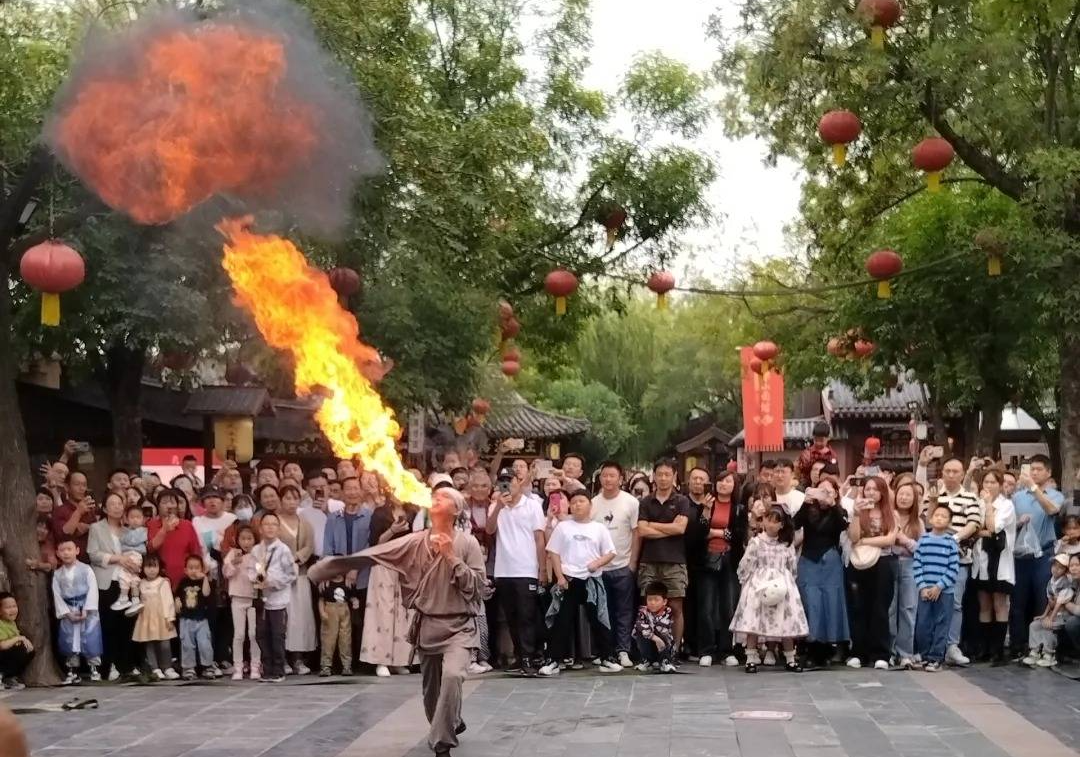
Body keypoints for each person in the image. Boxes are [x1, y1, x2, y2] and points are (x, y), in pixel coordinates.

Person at [309, 486, 486, 757]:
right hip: (428, 625)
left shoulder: (468, 544)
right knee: (431, 694)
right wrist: (334, 565)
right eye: (435, 496)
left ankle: (442, 743)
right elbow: (376, 554)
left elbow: (477, 586)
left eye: (445, 497)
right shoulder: (414, 541)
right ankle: (451, 719)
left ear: (457, 510)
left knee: (452, 676)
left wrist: (450, 557)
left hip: (459, 626)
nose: (437, 498)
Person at [539, 491, 619, 676]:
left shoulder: (598, 528)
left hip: (592, 580)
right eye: (573, 502)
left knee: (598, 619)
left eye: (581, 501)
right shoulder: (563, 527)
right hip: (569, 579)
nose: (577, 505)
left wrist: (597, 563)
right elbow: (554, 553)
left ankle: (607, 657)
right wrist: (559, 577)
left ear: (590, 505)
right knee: (562, 620)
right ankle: (552, 660)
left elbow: (610, 552)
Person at [730, 504, 808, 673]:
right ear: (763, 520)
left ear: (782, 525)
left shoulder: (786, 544)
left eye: (776, 521)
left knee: (786, 622)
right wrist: (747, 581)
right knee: (754, 621)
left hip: (781, 582)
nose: (772, 524)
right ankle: (751, 657)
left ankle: (790, 658)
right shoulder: (756, 542)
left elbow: (792, 566)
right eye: (768, 520)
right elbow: (747, 562)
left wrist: (789, 583)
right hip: (759, 583)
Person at [920, 457, 981, 666]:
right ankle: (929, 648)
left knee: (954, 603)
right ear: (942, 473)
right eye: (947, 471)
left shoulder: (970, 498)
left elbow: (973, 523)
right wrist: (934, 502)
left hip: (958, 557)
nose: (951, 475)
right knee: (929, 603)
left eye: (956, 471)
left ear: (963, 474)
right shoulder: (934, 495)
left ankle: (951, 645)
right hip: (931, 558)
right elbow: (927, 520)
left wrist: (953, 539)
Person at [793, 477, 857, 669]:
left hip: (830, 559)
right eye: (820, 490)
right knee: (810, 602)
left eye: (828, 491)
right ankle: (811, 648)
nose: (823, 494)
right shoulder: (808, 510)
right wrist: (807, 502)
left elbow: (843, 525)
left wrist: (832, 504)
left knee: (830, 603)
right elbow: (794, 524)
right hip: (808, 559)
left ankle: (829, 647)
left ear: (836, 494)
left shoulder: (839, 512)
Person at [487, 472, 545, 676]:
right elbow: (489, 529)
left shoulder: (532, 506)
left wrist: (541, 568)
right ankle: (519, 656)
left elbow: (539, 538)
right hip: (504, 570)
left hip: (526, 568)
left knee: (527, 615)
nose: (506, 486)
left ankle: (530, 656)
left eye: (509, 482)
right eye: (502, 482)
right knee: (510, 616)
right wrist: (499, 508)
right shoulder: (497, 506)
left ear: (518, 483)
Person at [635, 459, 692, 655]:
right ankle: (649, 652)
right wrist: (670, 528)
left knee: (676, 607)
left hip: (674, 561)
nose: (663, 478)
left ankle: (673, 650)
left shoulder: (682, 501)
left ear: (674, 476)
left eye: (668, 474)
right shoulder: (645, 501)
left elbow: (681, 528)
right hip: (649, 561)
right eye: (659, 474)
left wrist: (653, 525)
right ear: (654, 476)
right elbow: (641, 531)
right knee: (648, 607)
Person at [1010, 454, 1065, 657]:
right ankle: (1018, 645)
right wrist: (1018, 523)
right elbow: (1009, 524)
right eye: (1031, 469)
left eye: (1039, 469)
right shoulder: (1017, 497)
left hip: (1044, 554)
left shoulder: (1055, 495)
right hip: (1021, 555)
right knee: (1018, 601)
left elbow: (1052, 510)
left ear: (1048, 472)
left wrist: (1034, 489)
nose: (1034, 473)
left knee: (1043, 599)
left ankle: (1041, 646)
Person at [362, 493, 420, 676]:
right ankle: (381, 661)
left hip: (406, 567)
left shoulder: (414, 512)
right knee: (383, 613)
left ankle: (400, 660)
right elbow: (375, 544)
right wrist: (393, 530)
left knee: (404, 613)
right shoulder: (380, 513)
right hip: (384, 566)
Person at [590, 461, 640, 669]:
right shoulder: (592, 503)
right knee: (603, 612)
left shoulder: (631, 502)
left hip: (623, 565)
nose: (608, 479)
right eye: (604, 476)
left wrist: (632, 563)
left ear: (621, 478)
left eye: (612, 476)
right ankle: (605, 651)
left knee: (624, 611)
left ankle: (623, 650)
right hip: (600, 568)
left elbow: (636, 534)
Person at [847, 476, 898, 671]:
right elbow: (853, 538)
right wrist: (857, 514)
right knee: (859, 607)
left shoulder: (890, 513)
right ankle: (858, 652)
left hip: (883, 563)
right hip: (860, 563)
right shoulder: (858, 512)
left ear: (882, 492)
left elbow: (890, 539)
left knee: (880, 608)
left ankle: (881, 653)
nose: (871, 493)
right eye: (867, 489)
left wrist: (866, 541)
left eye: (875, 489)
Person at [324, 475, 376, 668]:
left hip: (363, 575)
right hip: (338, 576)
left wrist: (355, 568)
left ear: (361, 492)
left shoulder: (369, 516)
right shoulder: (333, 518)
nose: (353, 492)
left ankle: (362, 662)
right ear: (342, 493)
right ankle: (340, 663)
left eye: (356, 488)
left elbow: (371, 546)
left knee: (361, 619)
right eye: (349, 489)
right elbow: (327, 547)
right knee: (338, 620)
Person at [87, 493, 138, 681]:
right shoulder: (96, 528)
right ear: (105, 508)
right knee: (108, 625)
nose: (117, 507)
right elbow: (93, 554)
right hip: (106, 582)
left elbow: (136, 553)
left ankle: (126, 665)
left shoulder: (128, 531)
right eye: (112, 504)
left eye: (120, 503)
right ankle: (108, 666)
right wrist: (118, 559)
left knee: (126, 624)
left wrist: (132, 562)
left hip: (126, 582)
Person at [692, 470, 739, 668]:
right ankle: (706, 650)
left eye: (728, 481)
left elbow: (738, 533)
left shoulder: (738, 508)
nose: (723, 484)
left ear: (734, 485)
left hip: (730, 560)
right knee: (706, 607)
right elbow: (697, 532)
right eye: (720, 480)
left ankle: (727, 650)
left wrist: (717, 532)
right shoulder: (707, 504)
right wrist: (705, 512)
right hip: (707, 561)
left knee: (728, 606)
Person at [970, 468, 1016, 665]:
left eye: (992, 482)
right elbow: (974, 528)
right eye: (985, 482)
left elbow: (993, 527)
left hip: (1000, 561)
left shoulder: (1006, 505)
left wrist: (988, 506)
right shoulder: (977, 503)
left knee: (999, 604)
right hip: (980, 559)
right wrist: (982, 530)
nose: (988, 486)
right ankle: (984, 648)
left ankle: (998, 650)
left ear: (1000, 485)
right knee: (984, 604)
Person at [913, 503, 961, 672]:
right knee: (923, 623)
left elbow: (953, 568)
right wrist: (922, 587)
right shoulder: (923, 540)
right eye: (937, 515)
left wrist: (939, 586)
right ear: (930, 518)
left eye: (944, 516)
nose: (939, 518)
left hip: (944, 591)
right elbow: (917, 564)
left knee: (942, 623)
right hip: (925, 591)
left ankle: (936, 657)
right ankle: (924, 655)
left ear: (949, 522)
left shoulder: (951, 542)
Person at [251, 512, 297, 682]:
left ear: (278, 528)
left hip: (278, 599)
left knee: (277, 635)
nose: (270, 527)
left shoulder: (283, 550)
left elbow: (291, 574)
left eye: (273, 524)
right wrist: (255, 580)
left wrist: (273, 582)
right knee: (262, 634)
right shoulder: (256, 549)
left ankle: (278, 669)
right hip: (261, 598)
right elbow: (251, 570)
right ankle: (267, 668)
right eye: (266, 524)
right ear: (260, 528)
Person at [275, 484, 315, 675]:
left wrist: (297, 557)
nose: (291, 502)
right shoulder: (274, 521)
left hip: (300, 574)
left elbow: (309, 545)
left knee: (300, 618)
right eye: (287, 498)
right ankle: (281, 659)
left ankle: (298, 659)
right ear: (281, 500)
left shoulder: (304, 522)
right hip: (280, 578)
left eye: (294, 498)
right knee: (283, 618)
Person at [53, 539, 103, 684]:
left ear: (77, 550)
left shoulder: (86, 569)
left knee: (90, 637)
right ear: (57, 553)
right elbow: (57, 594)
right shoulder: (57, 574)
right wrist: (67, 613)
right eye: (62, 550)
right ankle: (72, 670)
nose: (66, 553)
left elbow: (93, 590)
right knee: (70, 640)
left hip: (86, 609)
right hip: (69, 610)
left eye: (69, 549)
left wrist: (87, 610)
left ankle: (94, 668)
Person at [889, 481, 924, 669]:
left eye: (908, 495)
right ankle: (889, 651)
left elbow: (923, 549)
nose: (903, 498)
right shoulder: (888, 517)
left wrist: (907, 542)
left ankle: (905, 653)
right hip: (890, 562)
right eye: (900, 494)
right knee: (890, 609)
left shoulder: (918, 522)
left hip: (910, 566)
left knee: (909, 609)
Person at [1021, 553, 1075, 667]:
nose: (1056, 569)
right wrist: (1044, 615)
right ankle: (1034, 652)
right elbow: (1050, 602)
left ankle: (1049, 654)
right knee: (1034, 625)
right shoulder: (1051, 582)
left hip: (1064, 616)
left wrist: (1050, 618)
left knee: (1048, 626)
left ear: (1065, 571)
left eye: (1060, 567)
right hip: (1054, 613)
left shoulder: (1066, 584)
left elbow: (1059, 604)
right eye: (1054, 565)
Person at [223, 525, 261, 680]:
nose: (246, 542)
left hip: (253, 598)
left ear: (254, 540)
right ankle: (238, 666)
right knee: (239, 634)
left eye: (249, 538)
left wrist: (255, 574)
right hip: (237, 597)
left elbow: (260, 576)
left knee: (253, 634)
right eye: (243, 539)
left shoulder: (258, 554)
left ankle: (255, 666)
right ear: (237, 540)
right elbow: (227, 573)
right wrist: (234, 563)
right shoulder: (232, 554)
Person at [132, 554, 179, 680]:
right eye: (148, 566)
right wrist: (134, 588)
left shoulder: (163, 582)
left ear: (159, 568)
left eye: (154, 566)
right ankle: (155, 668)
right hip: (146, 618)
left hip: (161, 618)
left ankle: (167, 667)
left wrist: (170, 618)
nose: (151, 570)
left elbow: (168, 601)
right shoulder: (140, 583)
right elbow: (136, 599)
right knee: (149, 643)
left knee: (164, 643)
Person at [148, 489, 204, 589]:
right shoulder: (151, 524)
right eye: (164, 502)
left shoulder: (187, 525)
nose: (169, 506)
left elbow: (195, 552)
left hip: (185, 579)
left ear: (177, 506)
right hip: (158, 579)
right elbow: (151, 548)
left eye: (172, 502)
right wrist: (164, 529)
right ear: (158, 506)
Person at [175, 554, 218, 680]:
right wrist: (177, 601)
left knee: (205, 643)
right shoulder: (183, 582)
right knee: (187, 644)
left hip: (201, 619)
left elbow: (206, 593)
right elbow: (177, 595)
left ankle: (207, 666)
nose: (194, 570)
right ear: (185, 570)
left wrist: (204, 578)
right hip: (186, 618)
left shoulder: (204, 581)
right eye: (191, 568)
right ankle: (189, 668)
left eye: (197, 568)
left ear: (202, 569)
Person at [110, 504, 148, 614]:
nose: (135, 520)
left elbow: (132, 541)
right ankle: (135, 600)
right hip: (127, 555)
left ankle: (124, 598)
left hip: (135, 555)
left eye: (138, 517)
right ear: (126, 518)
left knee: (125, 575)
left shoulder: (143, 530)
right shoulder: (124, 530)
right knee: (132, 579)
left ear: (143, 519)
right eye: (132, 517)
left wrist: (125, 536)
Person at [319, 569, 356, 676]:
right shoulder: (326, 583)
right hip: (329, 609)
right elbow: (321, 599)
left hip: (344, 610)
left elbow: (352, 596)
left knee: (345, 638)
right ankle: (325, 665)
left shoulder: (347, 582)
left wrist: (354, 601)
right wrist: (322, 612)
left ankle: (347, 665)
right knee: (328, 639)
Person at [51, 471, 96, 559]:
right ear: (67, 487)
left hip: (91, 562)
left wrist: (87, 527)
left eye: (84, 485)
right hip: (69, 562)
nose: (81, 488)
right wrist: (78, 512)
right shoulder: (60, 510)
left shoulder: (91, 509)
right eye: (77, 484)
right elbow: (64, 535)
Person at [633, 582, 676, 672]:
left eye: (656, 600)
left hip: (664, 644)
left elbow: (663, 628)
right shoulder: (642, 611)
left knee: (661, 632)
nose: (652, 603)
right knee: (639, 631)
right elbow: (640, 625)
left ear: (664, 601)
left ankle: (666, 661)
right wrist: (655, 639)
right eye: (650, 599)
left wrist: (657, 638)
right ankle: (647, 660)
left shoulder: (668, 612)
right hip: (652, 642)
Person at [0, 594, 34, 690]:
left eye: (14, 606)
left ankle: (8, 678)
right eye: (8, 607)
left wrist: (25, 641)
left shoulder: (11, 623)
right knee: (20, 649)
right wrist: (20, 638)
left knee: (29, 651)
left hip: (7, 656)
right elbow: (2, 645)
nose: (12, 610)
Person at [796, 422, 838, 487]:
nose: (818, 443)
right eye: (816, 440)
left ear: (828, 438)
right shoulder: (806, 454)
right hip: (807, 486)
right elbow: (799, 472)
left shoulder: (832, 455)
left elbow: (835, 473)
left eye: (821, 440)